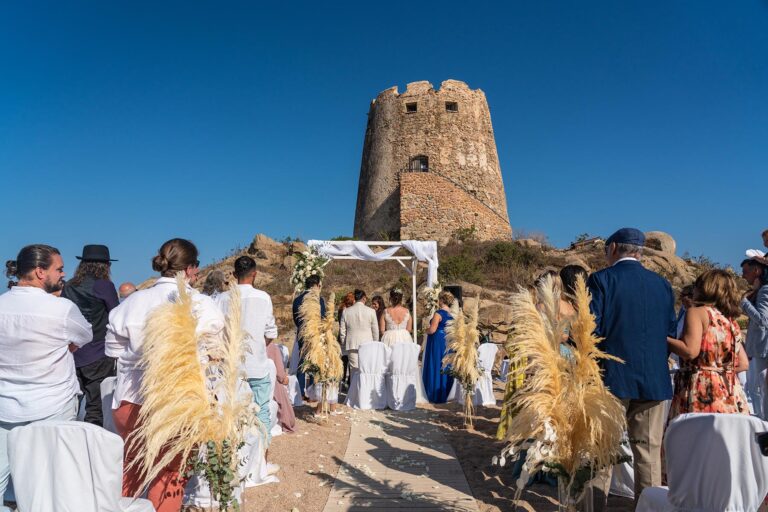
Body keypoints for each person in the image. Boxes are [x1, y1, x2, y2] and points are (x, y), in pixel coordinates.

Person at [106, 238, 222, 512]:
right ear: (190, 268)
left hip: (132, 400)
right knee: (171, 473)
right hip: (180, 403)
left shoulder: (133, 301)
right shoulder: (203, 305)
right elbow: (216, 353)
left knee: (131, 469)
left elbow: (112, 351)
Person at [587, 228, 676, 506]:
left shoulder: (601, 279)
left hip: (611, 377)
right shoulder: (662, 284)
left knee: (601, 451)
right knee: (648, 455)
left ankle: (593, 507)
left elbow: (591, 329)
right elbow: (670, 331)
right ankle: (647, 508)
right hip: (654, 380)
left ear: (613, 247)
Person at [0, 245, 92, 510]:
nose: (63, 274)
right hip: (53, 402)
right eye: (59, 269)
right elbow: (85, 336)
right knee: (52, 479)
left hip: (5, 403)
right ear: (40, 272)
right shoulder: (61, 308)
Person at [216, 256, 279, 471]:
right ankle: (261, 462)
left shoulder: (222, 298)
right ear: (255, 274)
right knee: (261, 413)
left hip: (230, 367)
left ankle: (232, 462)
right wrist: (258, 346)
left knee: (230, 414)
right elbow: (270, 332)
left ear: (234, 275)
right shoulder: (263, 297)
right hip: (256, 366)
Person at [667, 270, 748, 423]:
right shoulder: (730, 321)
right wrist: (716, 370)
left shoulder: (697, 313)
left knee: (693, 435)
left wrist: (661, 338)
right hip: (728, 390)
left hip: (701, 389)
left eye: (697, 285)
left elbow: (690, 351)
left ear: (706, 288)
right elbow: (743, 364)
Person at [60, 245, 119, 427]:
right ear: (106, 265)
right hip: (98, 353)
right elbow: (116, 314)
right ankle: (92, 444)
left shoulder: (69, 285)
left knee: (71, 406)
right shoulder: (104, 285)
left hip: (73, 352)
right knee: (96, 408)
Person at [741, 256, 768, 418]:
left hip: (763, 348)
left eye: (746, 272)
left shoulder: (765, 291)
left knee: (761, 387)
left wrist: (744, 302)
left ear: (756, 271)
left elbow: (763, 320)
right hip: (761, 348)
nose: (743, 276)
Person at [292, 274, 325, 398]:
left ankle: (300, 392)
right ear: (317, 285)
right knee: (314, 361)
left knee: (302, 361)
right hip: (315, 334)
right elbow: (322, 317)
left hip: (302, 334)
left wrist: (303, 328)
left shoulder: (297, 300)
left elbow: (296, 319)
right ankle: (312, 392)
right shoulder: (318, 300)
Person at [422, 290, 455, 403]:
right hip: (447, 341)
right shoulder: (452, 314)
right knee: (445, 364)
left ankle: (434, 394)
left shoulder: (438, 313)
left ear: (441, 300)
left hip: (437, 341)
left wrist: (424, 330)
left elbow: (432, 330)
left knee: (436, 363)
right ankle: (445, 392)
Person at [339, 289, 379, 376]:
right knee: (366, 370)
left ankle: (355, 385)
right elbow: (375, 330)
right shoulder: (371, 311)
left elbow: (342, 331)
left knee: (354, 371)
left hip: (351, 344)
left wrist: (344, 343)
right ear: (364, 298)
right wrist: (375, 343)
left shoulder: (346, 311)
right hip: (368, 344)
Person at [266, 339, 296, 433]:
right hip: (270, 384)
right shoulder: (273, 348)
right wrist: (284, 379)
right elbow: (280, 375)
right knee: (280, 390)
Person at [337, 292, 355, 388]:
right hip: (347, 335)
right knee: (346, 359)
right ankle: (345, 381)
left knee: (345, 359)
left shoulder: (341, 308)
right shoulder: (345, 310)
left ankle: (344, 380)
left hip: (343, 336)